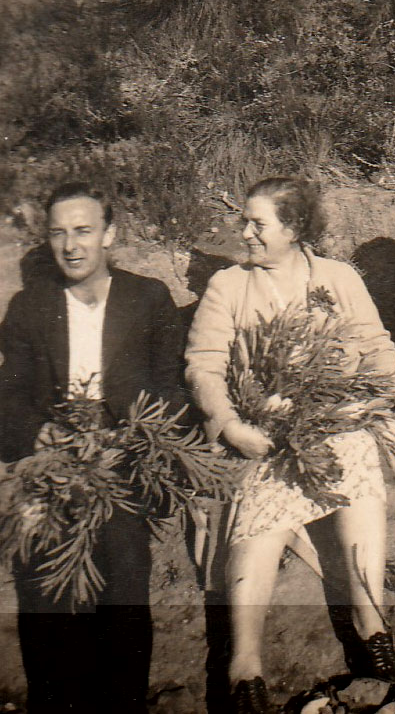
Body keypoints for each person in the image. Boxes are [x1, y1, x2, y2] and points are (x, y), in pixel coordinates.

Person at [185, 176, 395, 714]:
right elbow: (205, 366)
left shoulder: (337, 278)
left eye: (257, 224)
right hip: (260, 430)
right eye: (245, 221)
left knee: (357, 453)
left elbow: (374, 344)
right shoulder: (228, 287)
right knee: (261, 503)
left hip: (333, 422)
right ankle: (245, 668)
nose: (244, 233)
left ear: (293, 229)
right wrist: (229, 424)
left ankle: (372, 624)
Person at [0, 181, 185, 714]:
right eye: (58, 233)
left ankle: (123, 702)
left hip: (124, 457)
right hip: (53, 460)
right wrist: (40, 433)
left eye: (83, 231)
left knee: (123, 567)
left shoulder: (147, 298)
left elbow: (173, 388)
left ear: (110, 234)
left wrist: (129, 436)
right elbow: (7, 396)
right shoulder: (29, 307)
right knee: (41, 575)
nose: (71, 245)